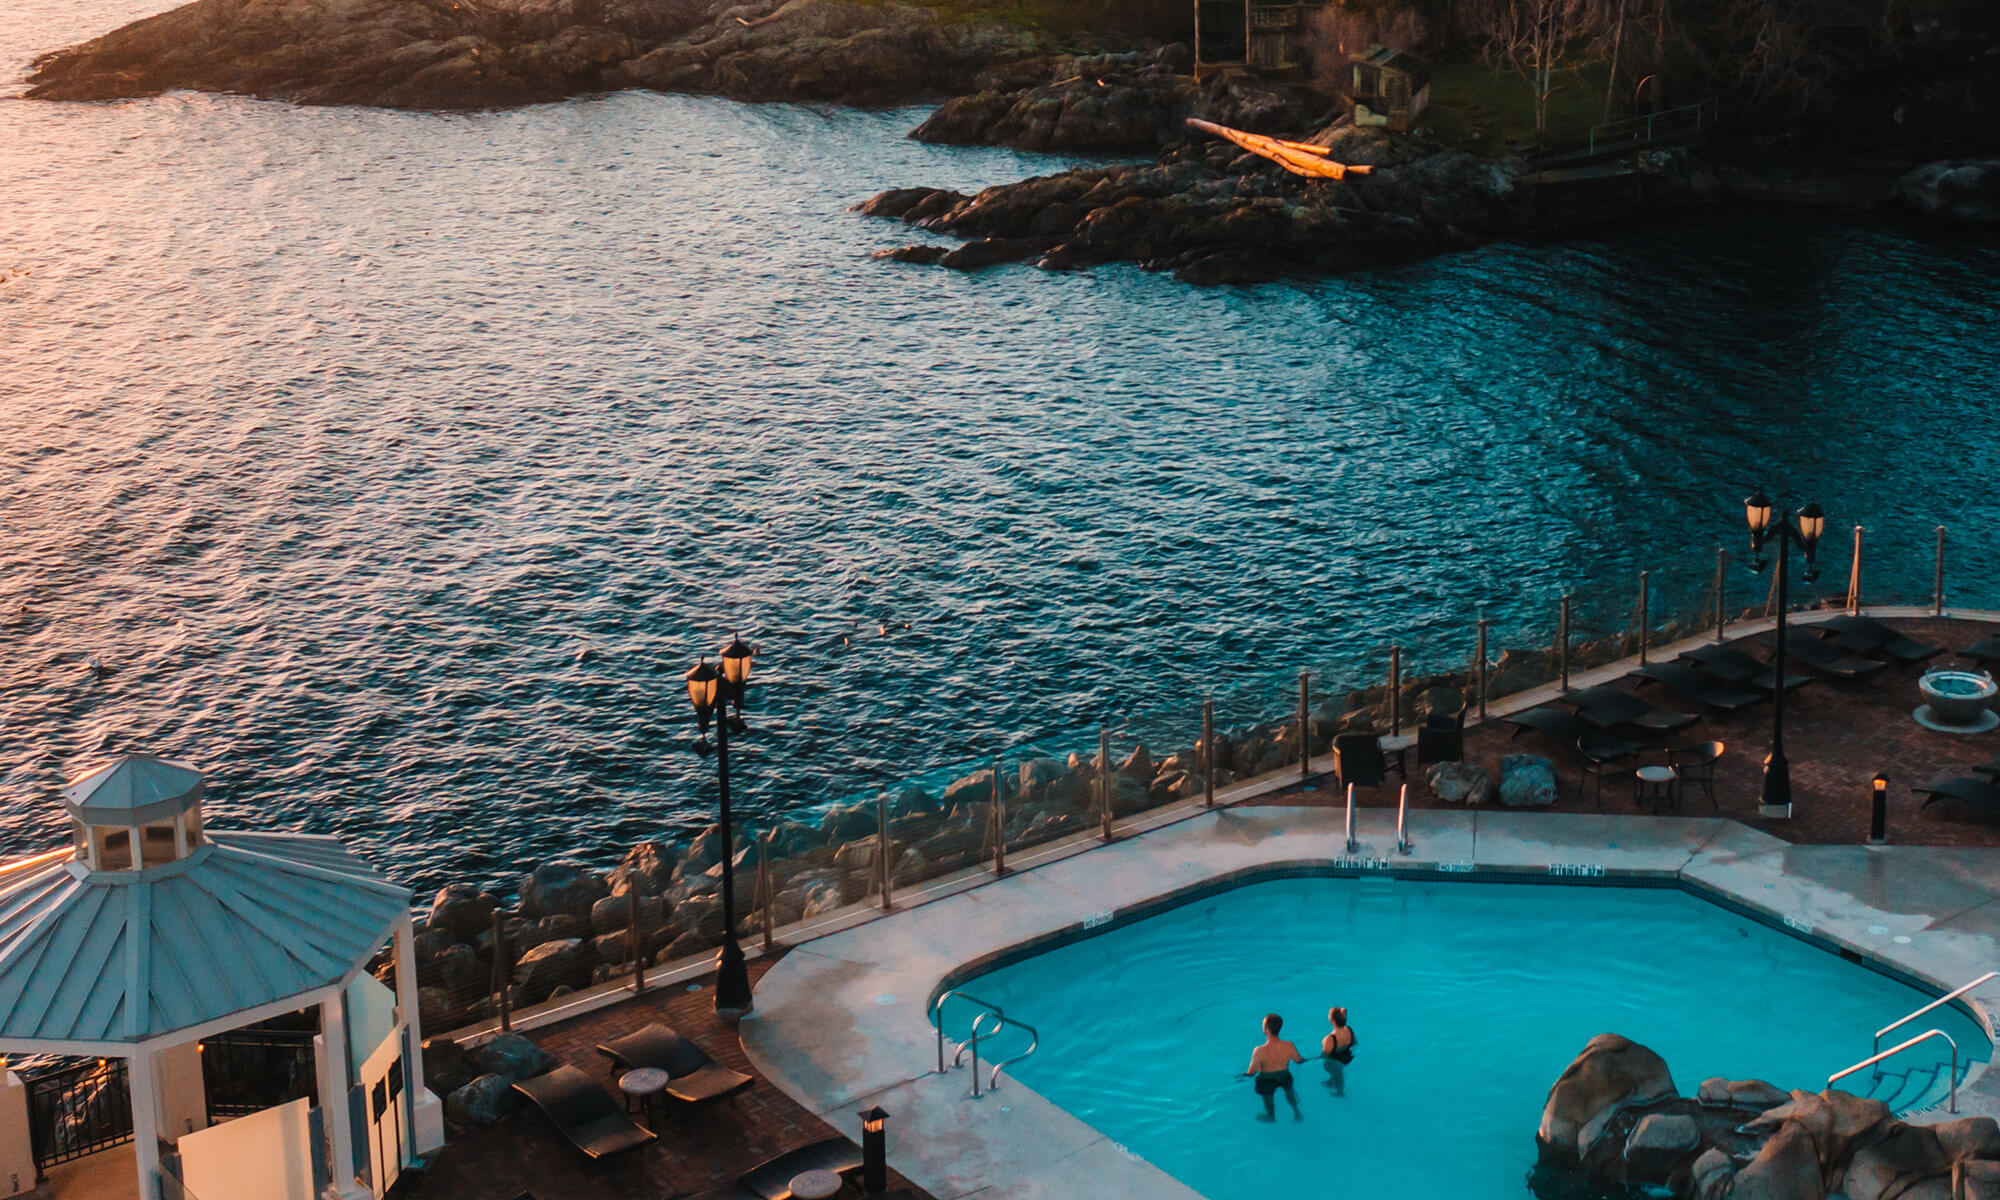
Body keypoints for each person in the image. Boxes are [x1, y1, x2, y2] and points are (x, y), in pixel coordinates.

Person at [1245, 1013, 1304, 1121]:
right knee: (1289, 1092)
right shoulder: (1289, 1045)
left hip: (1267, 1080)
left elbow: (1251, 1072)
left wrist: (1241, 1076)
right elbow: (1298, 1060)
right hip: (1285, 1076)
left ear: (1266, 1029)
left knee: (1268, 1097)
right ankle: (1297, 1112)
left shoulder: (1259, 1050)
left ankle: (1271, 1116)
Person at [1321, 1007, 1357, 1096]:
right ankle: (1332, 1081)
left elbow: (1325, 1055)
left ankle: (1340, 1092)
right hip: (1347, 1057)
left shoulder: (1329, 1038)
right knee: (1338, 1071)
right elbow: (1354, 1043)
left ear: (1332, 1021)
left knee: (1336, 1072)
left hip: (1335, 1061)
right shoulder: (1349, 1030)